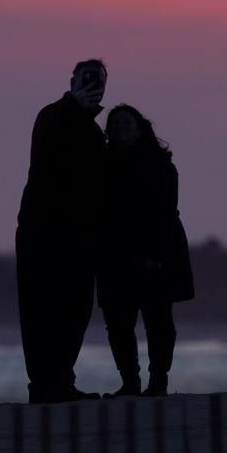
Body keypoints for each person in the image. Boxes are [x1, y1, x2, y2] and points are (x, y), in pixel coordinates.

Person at [16, 59, 109, 403]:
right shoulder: (52, 115)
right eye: (85, 79)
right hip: (43, 231)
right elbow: (49, 152)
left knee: (76, 309)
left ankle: (61, 381)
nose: (91, 85)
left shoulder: (95, 131)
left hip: (81, 234)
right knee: (42, 310)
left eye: (98, 81)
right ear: (72, 81)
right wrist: (74, 108)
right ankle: (44, 384)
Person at [97, 104, 194, 397]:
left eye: (127, 123)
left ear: (140, 128)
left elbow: (166, 213)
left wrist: (157, 256)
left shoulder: (160, 164)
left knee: (158, 322)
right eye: (115, 124)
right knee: (117, 323)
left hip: (155, 255)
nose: (121, 128)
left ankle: (158, 381)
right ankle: (130, 381)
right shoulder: (102, 165)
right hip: (115, 256)